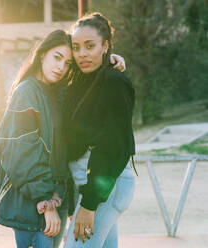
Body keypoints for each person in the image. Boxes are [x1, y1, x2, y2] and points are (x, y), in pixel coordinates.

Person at [0, 29, 125, 248]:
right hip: (34, 204)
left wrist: (110, 63)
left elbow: (89, 91)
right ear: (43, 54)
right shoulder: (27, 92)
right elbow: (21, 152)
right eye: (57, 58)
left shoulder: (54, 93)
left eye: (67, 64)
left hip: (56, 197)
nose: (61, 68)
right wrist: (46, 204)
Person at [63, 12, 136, 248]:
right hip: (94, 187)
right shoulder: (81, 81)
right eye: (76, 47)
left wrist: (89, 203)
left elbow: (113, 145)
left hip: (103, 188)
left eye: (90, 46)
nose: (82, 53)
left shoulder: (113, 82)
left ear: (105, 46)